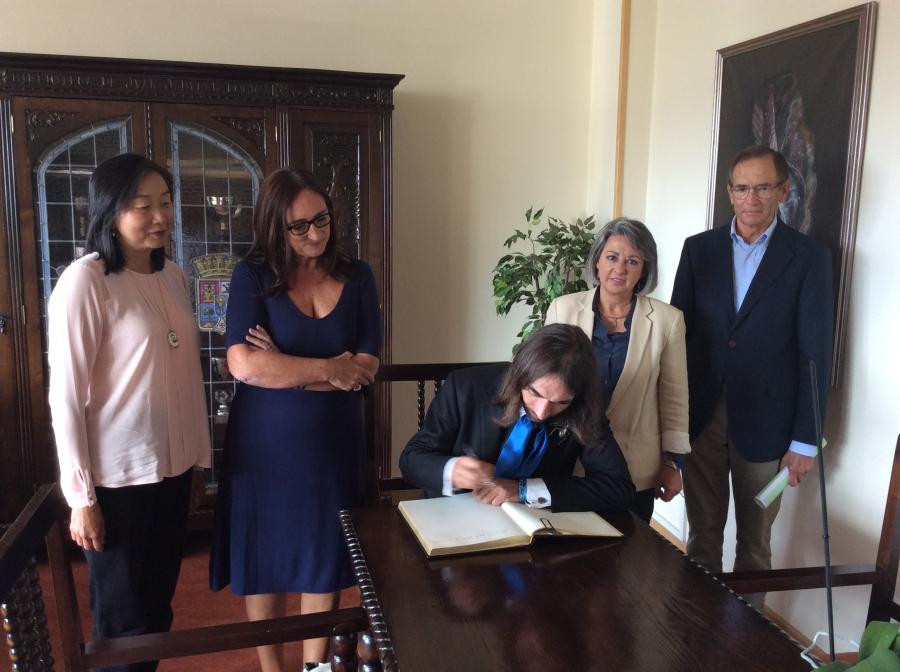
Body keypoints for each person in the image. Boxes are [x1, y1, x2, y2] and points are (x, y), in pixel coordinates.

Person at [209, 168, 381, 671]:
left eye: (321, 220)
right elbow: (244, 364)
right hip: (266, 445)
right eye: (299, 226)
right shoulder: (253, 276)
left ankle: (316, 667)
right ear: (274, 228)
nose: (314, 234)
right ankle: (271, 668)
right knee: (263, 559)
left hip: (333, 443)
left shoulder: (358, 274)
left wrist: (288, 367)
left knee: (321, 557)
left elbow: (367, 365)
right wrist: (330, 369)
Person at [47, 153, 210, 672]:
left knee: (156, 614)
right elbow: (66, 396)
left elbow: (187, 379)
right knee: (121, 623)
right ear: (110, 211)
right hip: (118, 482)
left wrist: (197, 463)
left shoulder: (173, 277)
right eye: (144, 206)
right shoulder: (86, 280)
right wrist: (81, 497)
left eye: (166, 203)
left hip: (171, 471)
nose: (160, 217)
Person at [670, 145, 833, 580]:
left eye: (763, 187)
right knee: (701, 538)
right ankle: (696, 636)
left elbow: (816, 352)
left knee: (755, 547)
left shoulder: (808, 258)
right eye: (742, 188)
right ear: (729, 192)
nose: (752, 197)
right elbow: (677, 340)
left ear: (783, 191)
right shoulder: (698, 251)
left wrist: (806, 440)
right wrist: (670, 423)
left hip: (769, 424)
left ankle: (746, 642)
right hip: (702, 417)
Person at [399, 324, 634, 513]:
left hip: (531, 527)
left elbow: (619, 488)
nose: (542, 412)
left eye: (560, 402)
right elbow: (411, 460)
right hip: (450, 516)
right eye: (534, 393)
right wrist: (451, 470)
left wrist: (523, 490)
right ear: (519, 374)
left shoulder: (583, 408)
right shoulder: (465, 387)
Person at [545, 218, 690, 522]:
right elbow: (545, 383)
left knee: (629, 558)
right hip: (568, 462)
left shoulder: (668, 320)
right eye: (612, 257)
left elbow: (675, 398)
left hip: (634, 467)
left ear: (643, 271)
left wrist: (672, 463)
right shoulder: (563, 309)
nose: (620, 268)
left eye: (632, 261)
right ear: (597, 261)